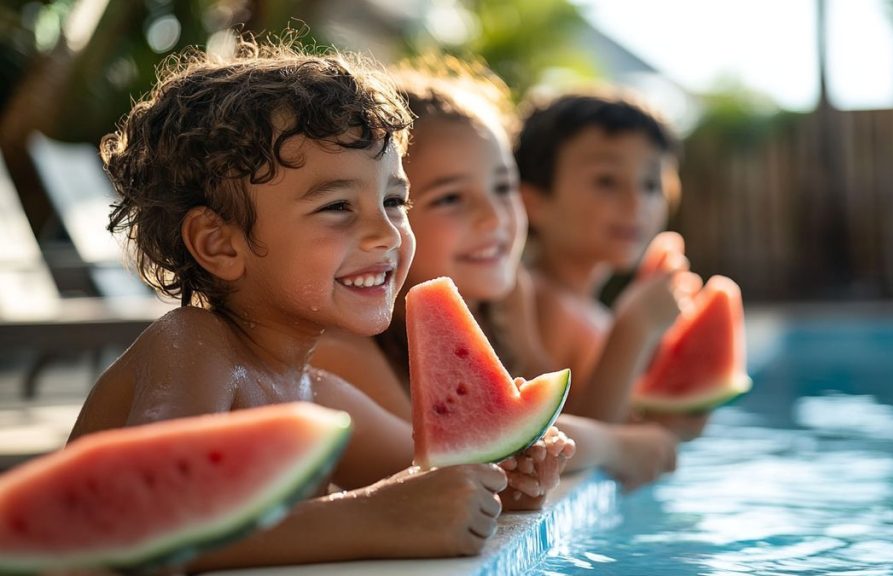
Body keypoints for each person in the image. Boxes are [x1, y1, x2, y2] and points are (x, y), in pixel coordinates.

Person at [66, 39, 539, 571]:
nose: (386, 233)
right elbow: (143, 521)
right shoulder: (193, 346)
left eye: (393, 201)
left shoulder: (318, 395)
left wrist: (503, 479)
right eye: (338, 206)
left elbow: (429, 482)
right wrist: (373, 519)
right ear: (219, 243)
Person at [312, 56, 678, 492]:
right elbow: (451, 463)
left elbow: (535, 421)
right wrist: (617, 445)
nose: (494, 218)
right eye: (451, 199)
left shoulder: (506, 301)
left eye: (502, 188)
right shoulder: (345, 348)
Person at [514, 90, 709, 438]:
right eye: (606, 181)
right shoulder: (542, 301)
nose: (636, 202)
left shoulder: (589, 311)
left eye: (651, 184)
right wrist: (635, 329)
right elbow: (556, 442)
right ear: (534, 202)